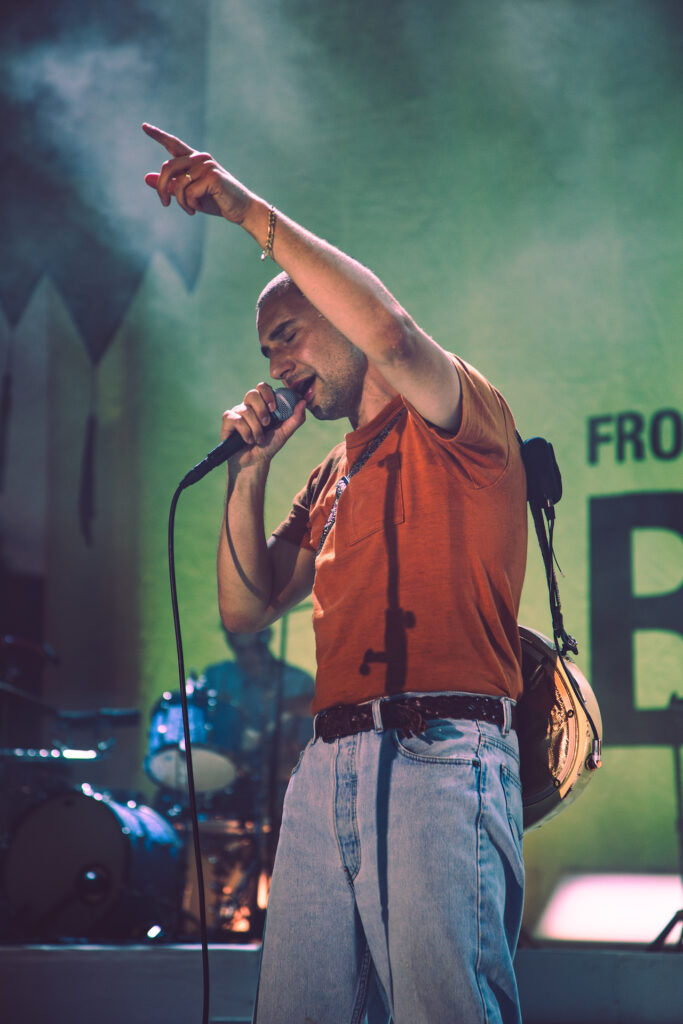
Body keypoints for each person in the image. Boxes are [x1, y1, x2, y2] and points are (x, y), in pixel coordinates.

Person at [144, 122, 528, 1024]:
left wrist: (240, 208)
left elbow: (389, 334)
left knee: (442, 1008)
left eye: (289, 337)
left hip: (439, 748)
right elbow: (245, 608)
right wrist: (249, 471)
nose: (276, 366)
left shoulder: (456, 411)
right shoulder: (326, 474)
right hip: (327, 765)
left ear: (336, 316)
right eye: (266, 353)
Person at [201, 626, 314, 821]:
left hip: (278, 786)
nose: (248, 657)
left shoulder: (298, 681)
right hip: (224, 783)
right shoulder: (216, 677)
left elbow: (307, 747)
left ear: (266, 635)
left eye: (252, 648)